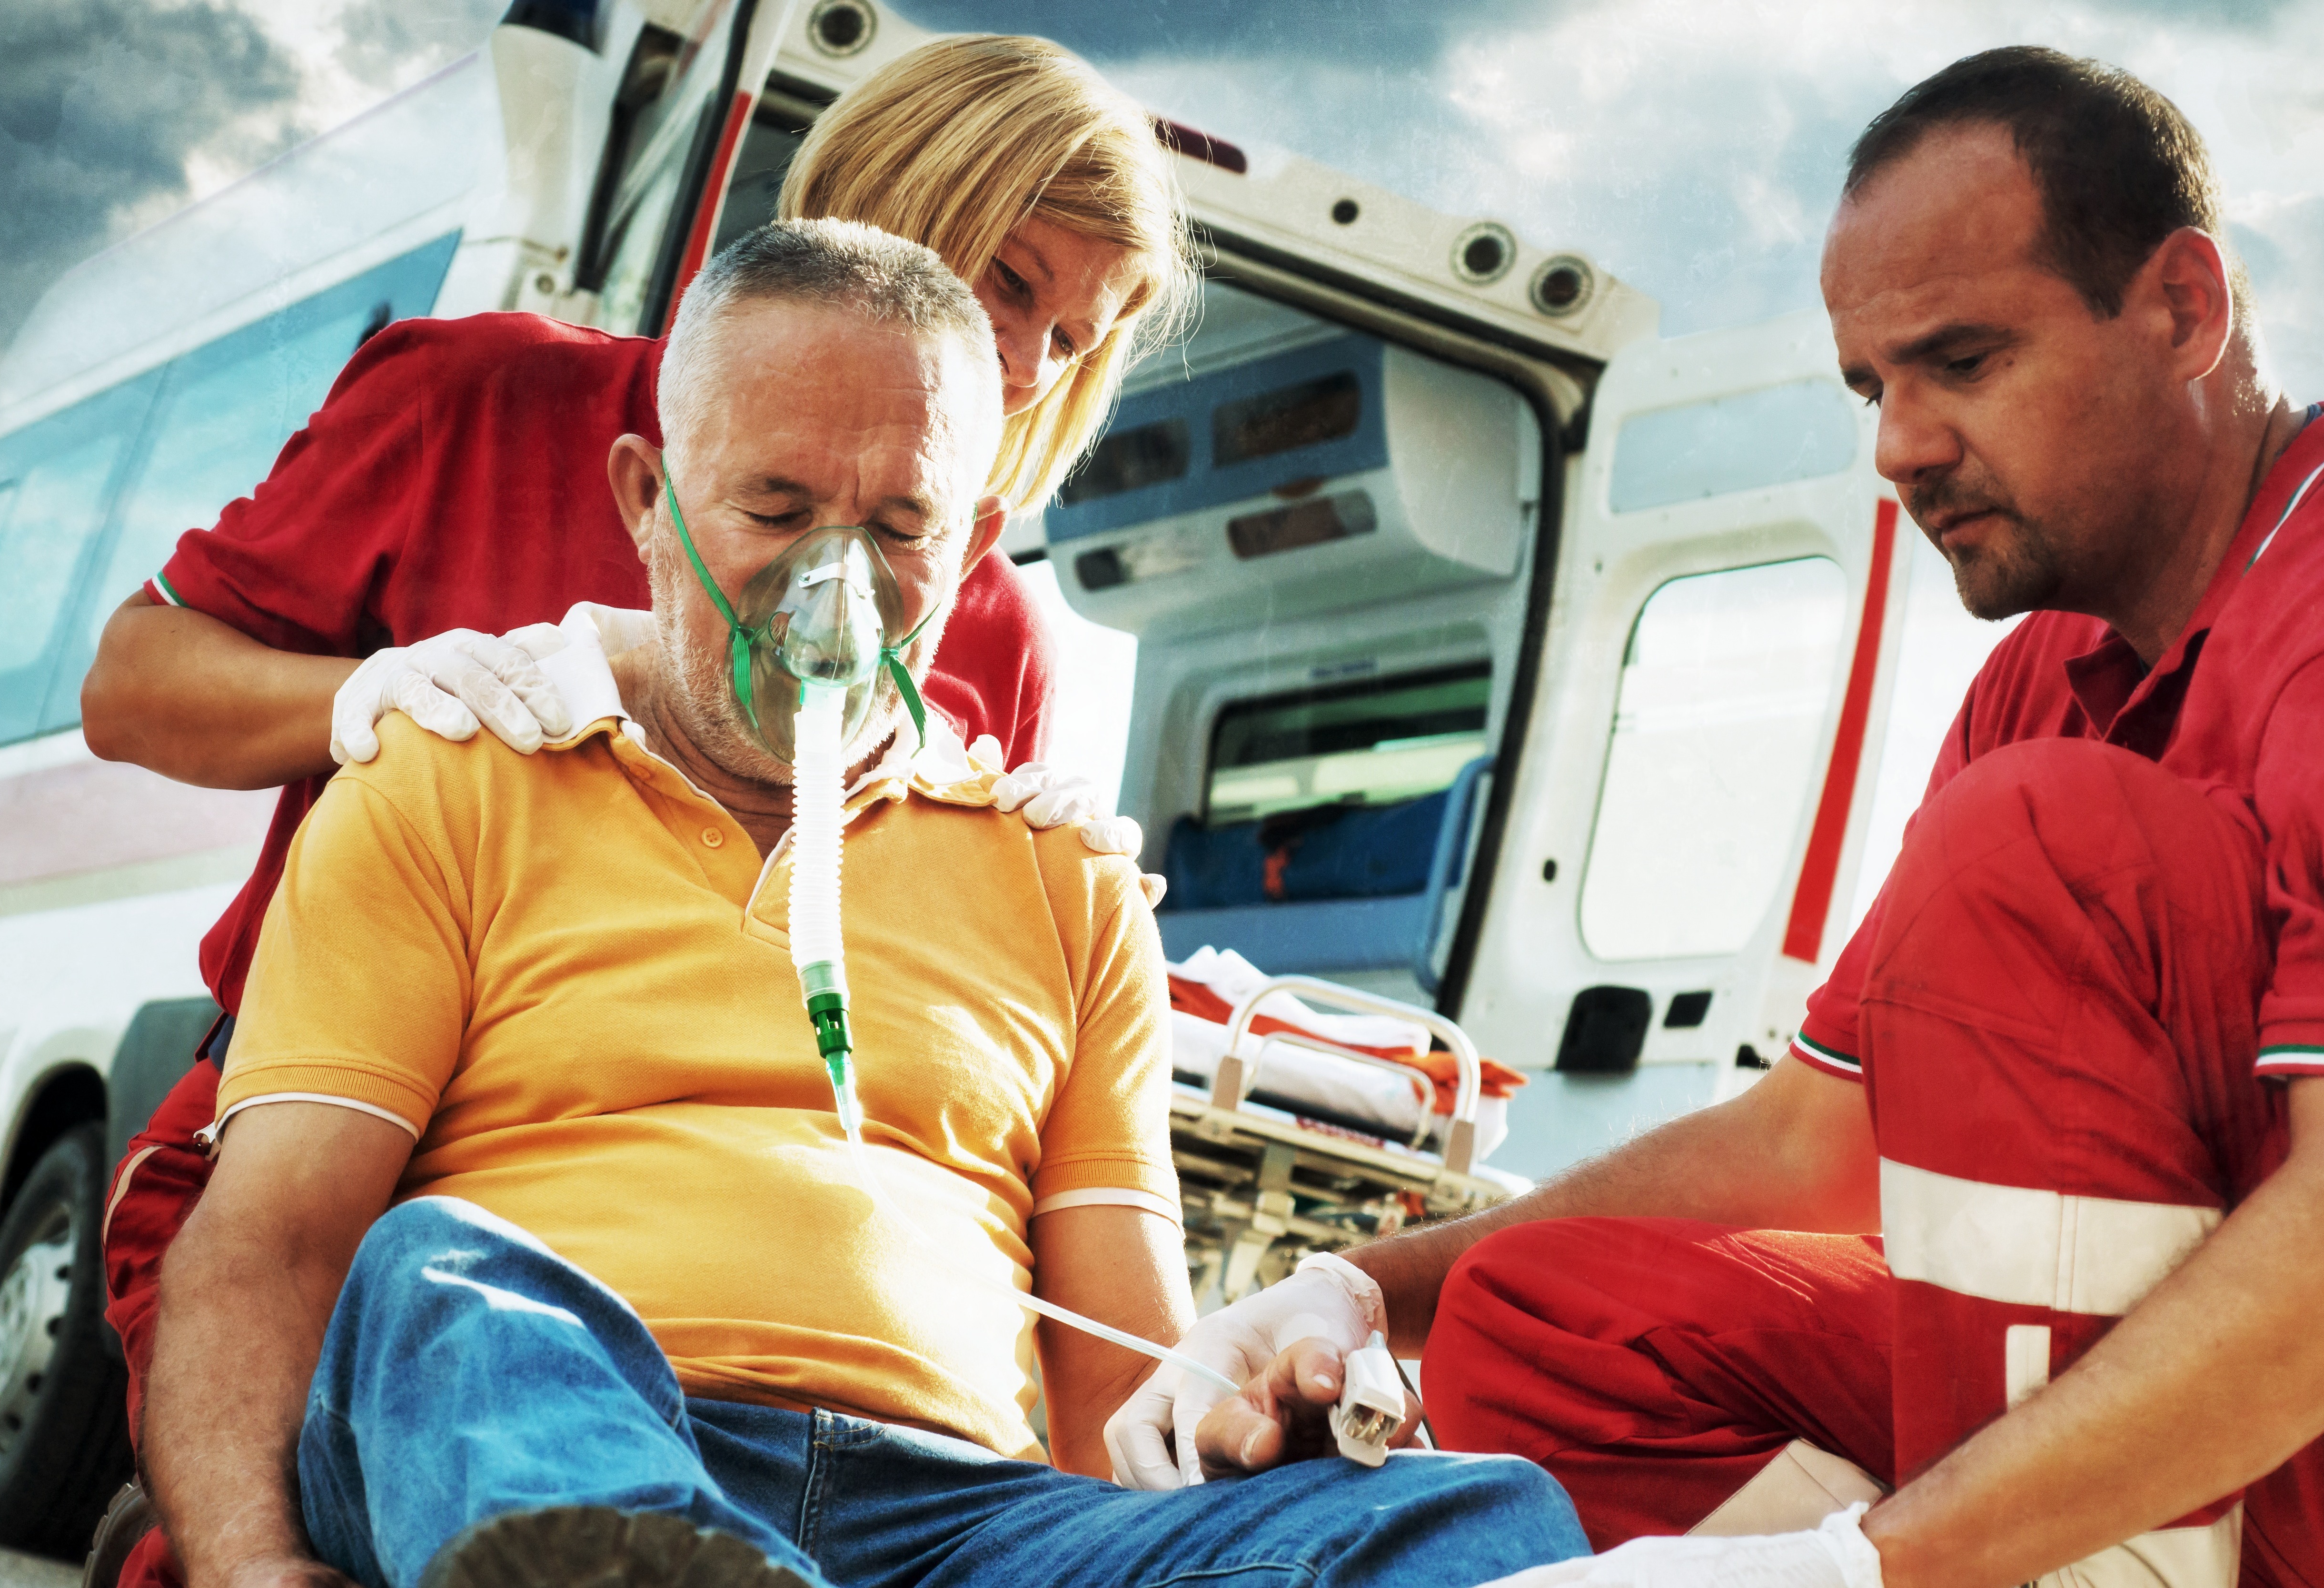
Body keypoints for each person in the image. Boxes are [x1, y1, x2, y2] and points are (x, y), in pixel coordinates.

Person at [1106, 47, 2324, 1588]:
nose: (1895, 448)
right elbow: (1814, 1143)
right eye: (1870, 389)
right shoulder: (2048, 670)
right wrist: (1356, 1286)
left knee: (2048, 843)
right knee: (1554, 1320)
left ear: (2185, 310)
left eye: (1960, 364)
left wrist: (1868, 1566)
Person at [141, 219, 1583, 1588]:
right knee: (443, 1284)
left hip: (962, 1516)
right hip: (547, 1441)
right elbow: (272, 1244)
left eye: (901, 528)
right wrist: (253, 1563)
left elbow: (1127, 1387)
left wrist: (1258, 1416)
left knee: (1476, 1516)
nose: (836, 586)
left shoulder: (1060, 877)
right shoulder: (453, 780)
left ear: (970, 548)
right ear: (646, 499)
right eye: (774, 508)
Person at [75, 38, 1194, 1571]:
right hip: (374, 1176)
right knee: (447, 1323)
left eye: (1078, 340)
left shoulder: (980, 621)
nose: (1023, 369)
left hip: (834, 1378)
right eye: (1010, 285)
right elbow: (131, 687)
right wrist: (367, 698)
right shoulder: (481, 397)